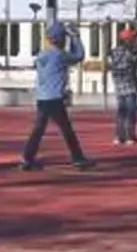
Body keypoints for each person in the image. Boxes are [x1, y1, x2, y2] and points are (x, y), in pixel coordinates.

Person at [20, 22, 94, 171]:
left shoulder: (42, 54)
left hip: (42, 98)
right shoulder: (60, 55)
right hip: (54, 98)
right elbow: (79, 56)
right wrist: (75, 37)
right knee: (67, 130)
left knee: (39, 129)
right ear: (61, 39)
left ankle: (27, 158)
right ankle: (78, 158)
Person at [108, 27, 137, 145]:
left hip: (118, 87)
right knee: (131, 112)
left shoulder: (114, 52)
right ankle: (130, 136)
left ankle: (119, 136)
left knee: (121, 112)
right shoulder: (129, 53)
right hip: (130, 86)